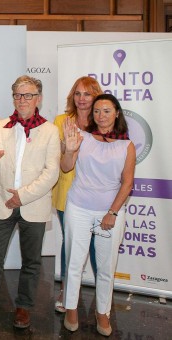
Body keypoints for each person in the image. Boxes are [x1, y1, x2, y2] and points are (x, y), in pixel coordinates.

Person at [0, 75, 60, 329]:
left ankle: (23, 308)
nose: (22, 100)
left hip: (34, 204)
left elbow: (51, 173)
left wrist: (23, 195)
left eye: (28, 95)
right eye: (18, 95)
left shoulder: (51, 131)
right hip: (0, 202)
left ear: (38, 98)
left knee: (31, 262)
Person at [61, 94, 135, 336]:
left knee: (105, 267)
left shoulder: (127, 145)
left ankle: (102, 312)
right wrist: (69, 150)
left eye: (106, 111)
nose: (100, 116)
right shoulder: (81, 137)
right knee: (74, 262)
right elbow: (66, 167)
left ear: (116, 113)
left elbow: (127, 183)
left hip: (109, 212)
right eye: (96, 111)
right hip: (79, 207)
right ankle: (71, 308)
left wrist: (112, 212)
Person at [51, 76, 102, 312]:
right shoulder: (61, 121)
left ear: (96, 96)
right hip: (67, 191)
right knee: (70, 243)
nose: (82, 99)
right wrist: (66, 145)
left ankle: (102, 298)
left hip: (97, 194)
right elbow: (58, 160)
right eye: (78, 94)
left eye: (87, 94)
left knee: (96, 247)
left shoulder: (103, 121)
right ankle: (66, 290)